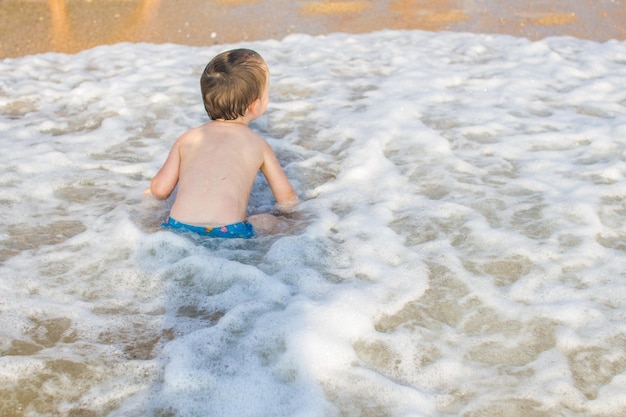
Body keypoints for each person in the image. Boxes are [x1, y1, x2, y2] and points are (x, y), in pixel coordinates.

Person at [147, 48, 299, 238]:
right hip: (230, 230)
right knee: (271, 221)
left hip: (177, 225)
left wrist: (149, 191)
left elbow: (160, 191)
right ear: (254, 105)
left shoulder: (188, 138)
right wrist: (295, 218)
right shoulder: (258, 144)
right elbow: (287, 199)